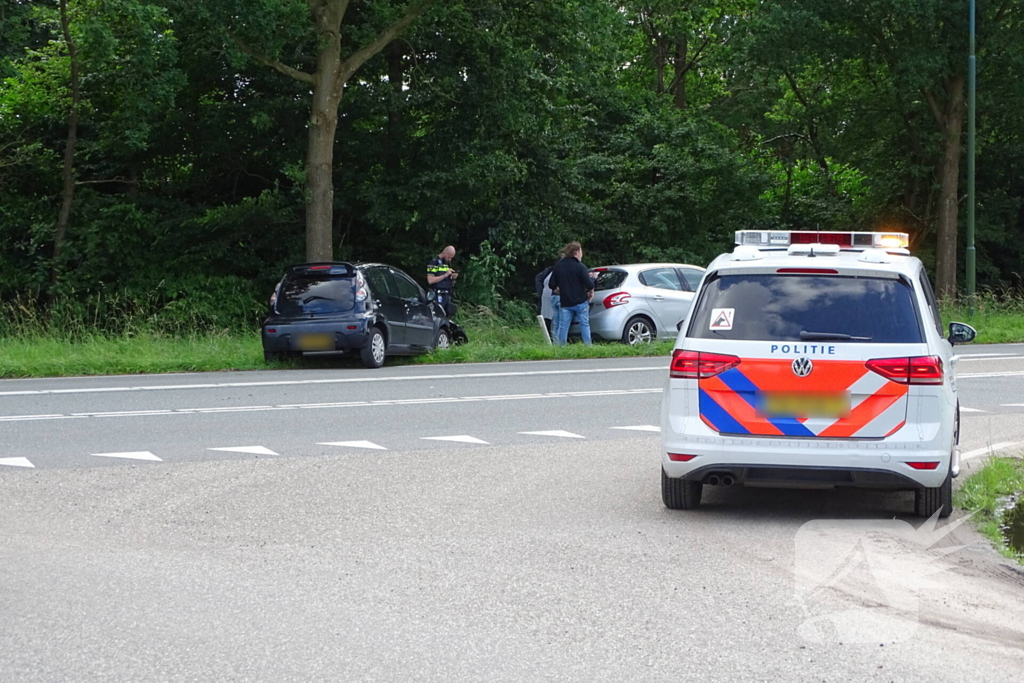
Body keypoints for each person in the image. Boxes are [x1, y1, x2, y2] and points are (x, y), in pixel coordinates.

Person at [547, 241, 594, 346]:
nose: (582, 254)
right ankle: (588, 346)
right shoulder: (579, 266)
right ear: (576, 251)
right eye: (581, 251)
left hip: (566, 302)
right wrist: (590, 292)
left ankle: (561, 348)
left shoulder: (559, 265)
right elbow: (589, 284)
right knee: (584, 325)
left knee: (563, 326)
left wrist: (559, 290)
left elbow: (551, 284)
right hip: (581, 301)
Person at [427, 245, 458, 317]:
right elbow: (430, 280)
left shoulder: (447, 264)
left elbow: (449, 281)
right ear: (444, 253)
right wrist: (446, 275)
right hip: (437, 295)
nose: (450, 259)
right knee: (437, 316)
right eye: (449, 257)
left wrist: (453, 278)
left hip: (446, 295)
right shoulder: (434, 263)